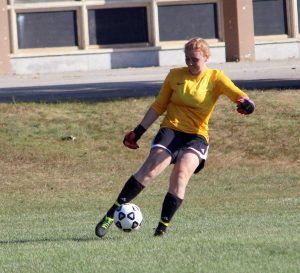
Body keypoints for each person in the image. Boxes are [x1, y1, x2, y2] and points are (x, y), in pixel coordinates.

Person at [95, 37, 255, 237]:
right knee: (150, 170)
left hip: (196, 136)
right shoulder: (175, 75)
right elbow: (158, 106)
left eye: (195, 59)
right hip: (171, 130)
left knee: (180, 175)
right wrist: (138, 132)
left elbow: (241, 96)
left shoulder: (216, 78)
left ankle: (161, 230)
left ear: (206, 57)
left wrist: (247, 105)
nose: (190, 63)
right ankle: (110, 215)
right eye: (187, 59)